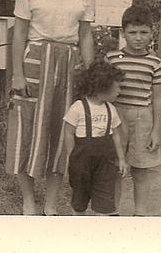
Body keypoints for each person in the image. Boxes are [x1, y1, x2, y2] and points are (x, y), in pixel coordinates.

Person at [5, 0, 95, 216]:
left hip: (68, 64)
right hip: (34, 63)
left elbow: (85, 35)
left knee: (62, 132)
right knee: (26, 130)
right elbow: (19, 33)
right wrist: (17, 74)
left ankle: (51, 204)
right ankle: (29, 199)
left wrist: (90, 73)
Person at [106, 5, 161, 216]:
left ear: (152, 33)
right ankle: (112, 211)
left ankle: (140, 214)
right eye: (132, 32)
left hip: (143, 116)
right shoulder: (112, 59)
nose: (138, 38)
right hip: (116, 117)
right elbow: (102, 92)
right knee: (114, 167)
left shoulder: (155, 63)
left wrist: (156, 131)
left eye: (144, 32)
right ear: (123, 34)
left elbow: (159, 98)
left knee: (141, 168)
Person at [63, 60, 128, 215]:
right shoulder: (78, 107)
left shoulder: (110, 109)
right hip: (82, 160)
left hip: (105, 162)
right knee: (80, 198)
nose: (120, 90)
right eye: (117, 86)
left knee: (105, 197)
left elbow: (116, 136)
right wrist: (72, 158)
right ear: (103, 86)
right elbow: (68, 132)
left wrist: (121, 159)